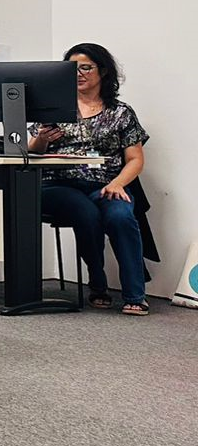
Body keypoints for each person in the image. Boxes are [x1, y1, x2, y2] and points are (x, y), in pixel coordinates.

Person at [29, 43, 151, 314]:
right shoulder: (52, 108)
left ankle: (135, 294)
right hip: (57, 184)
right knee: (85, 212)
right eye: (73, 68)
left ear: (103, 71)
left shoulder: (120, 113)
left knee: (121, 216)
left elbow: (135, 159)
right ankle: (97, 281)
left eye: (86, 67)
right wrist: (41, 139)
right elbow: (31, 151)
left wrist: (118, 183)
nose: (79, 74)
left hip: (105, 183)